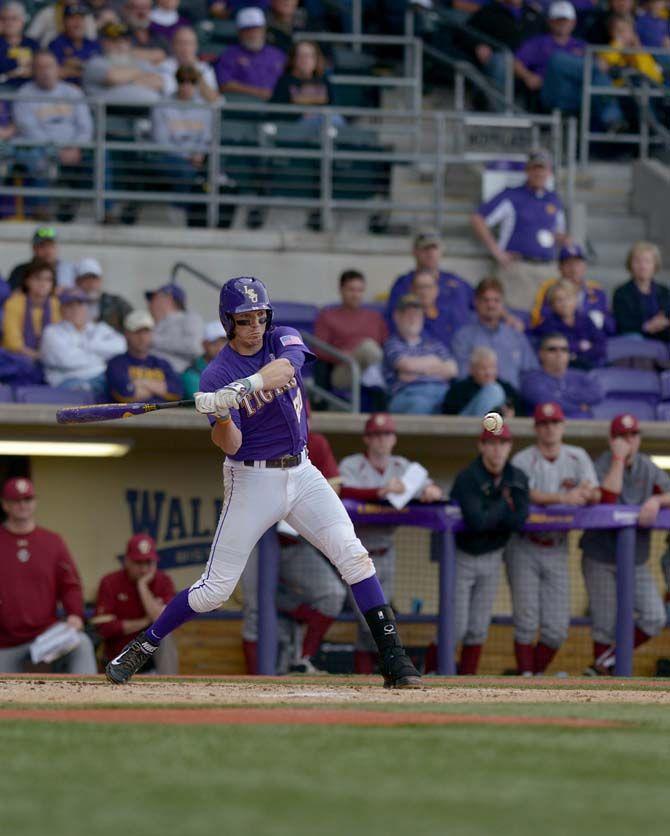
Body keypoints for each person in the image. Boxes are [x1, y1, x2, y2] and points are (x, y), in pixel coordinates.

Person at [105, 276, 421, 688]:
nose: (255, 326)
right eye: (245, 320)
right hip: (251, 477)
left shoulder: (281, 338)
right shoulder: (215, 374)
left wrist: (244, 387)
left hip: (303, 471)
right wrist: (220, 412)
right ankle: (143, 646)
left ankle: (394, 661)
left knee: (353, 555)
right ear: (228, 323)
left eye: (259, 317)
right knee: (214, 591)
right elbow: (230, 444)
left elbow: (285, 369)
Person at [241, 422, 347, 675]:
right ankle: (256, 681)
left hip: (292, 543)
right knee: (255, 609)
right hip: (255, 539)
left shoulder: (316, 442)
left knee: (333, 594)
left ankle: (302, 659)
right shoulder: (258, 434)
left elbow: (335, 487)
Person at [339, 413, 443, 673]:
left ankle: (370, 675)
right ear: (367, 438)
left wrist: (431, 491)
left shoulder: (402, 466)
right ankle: (388, 665)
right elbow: (341, 490)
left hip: (387, 551)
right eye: (376, 435)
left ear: (394, 438)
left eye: (386, 435)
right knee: (369, 619)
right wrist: (382, 492)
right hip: (356, 552)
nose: (381, 440)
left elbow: (429, 487)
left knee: (375, 618)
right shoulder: (352, 465)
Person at [506, 402, 599, 675]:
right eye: (544, 424)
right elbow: (523, 494)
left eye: (555, 423)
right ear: (536, 428)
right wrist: (564, 498)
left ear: (563, 426)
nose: (550, 428)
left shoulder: (577, 456)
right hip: (524, 545)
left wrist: (586, 494)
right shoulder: (523, 459)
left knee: (557, 628)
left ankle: (531, 674)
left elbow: (595, 493)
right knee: (526, 620)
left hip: (558, 546)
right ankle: (526, 678)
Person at [580, 413, 669, 675]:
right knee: (605, 624)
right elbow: (607, 498)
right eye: (622, 436)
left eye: (633, 435)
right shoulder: (601, 463)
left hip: (635, 560)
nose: (629, 440)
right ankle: (605, 679)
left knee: (655, 616)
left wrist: (657, 501)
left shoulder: (648, 466)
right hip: (600, 556)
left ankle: (604, 664)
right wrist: (618, 459)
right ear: (612, 440)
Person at [448, 424, 530, 675]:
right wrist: (505, 505)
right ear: (481, 446)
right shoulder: (468, 476)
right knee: (456, 627)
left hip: (493, 556)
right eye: (492, 444)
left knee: (478, 627)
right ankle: (434, 672)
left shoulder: (517, 477)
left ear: (509, 446)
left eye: (502, 444)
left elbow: (519, 522)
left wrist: (494, 510)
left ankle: (466, 682)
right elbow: (477, 522)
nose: (497, 450)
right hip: (462, 556)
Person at [0, 476, 97, 674]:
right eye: (16, 501)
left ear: (34, 502)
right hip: (5, 642)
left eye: (27, 500)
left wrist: (74, 615)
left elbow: (70, 584)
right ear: (5, 504)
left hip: (46, 636)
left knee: (82, 643)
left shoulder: (52, 541)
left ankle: (89, 703)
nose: (22, 505)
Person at [471, 149, 568, 310]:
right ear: (527, 170)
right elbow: (478, 219)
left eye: (542, 169)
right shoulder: (512, 195)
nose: (539, 173)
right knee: (515, 316)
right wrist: (497, 252)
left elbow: (558, 232)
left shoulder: (554, 199)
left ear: (549, 172)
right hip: (518, 268)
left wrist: (563, 239)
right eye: (535, 168)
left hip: (547, 268)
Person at [515, 1, 623, 129]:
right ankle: (613, 116)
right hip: (551, 90)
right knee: (559, 59)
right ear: (549, 22)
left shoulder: (582, 45)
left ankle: (612, 119)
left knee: (596, 75)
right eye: (558, 20)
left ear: (573, 23)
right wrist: (528, 76)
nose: (562, 24)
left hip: (577, 92)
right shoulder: (539, 43)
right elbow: (515, 62)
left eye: (565, 21)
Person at [12, 50, 94, 210]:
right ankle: (41, 209)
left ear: (58, 69)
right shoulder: (24, 94)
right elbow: (29, 130)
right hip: (43, 149)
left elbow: (86, 127)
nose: (45, 72)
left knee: (101, 155)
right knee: (36, 157)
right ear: (33, 71)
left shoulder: (73, 92)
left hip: (75, 149)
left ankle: (105, 210)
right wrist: (56, 150)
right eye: (40, 67)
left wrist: (75, 147)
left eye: (49, 66)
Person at [92, 533, 178, 674]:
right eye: (138, 563)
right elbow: (104, 628)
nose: (144, 569)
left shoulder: (163, 581)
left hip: (151, 664)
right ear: (126, 561)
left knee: (165, 635)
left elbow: (161, 621)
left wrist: (142, 586)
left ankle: (170, 685)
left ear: (155, 562)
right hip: (117, 658)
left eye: (148, 563)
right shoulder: (110, 582)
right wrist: (145, 621)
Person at [151, 65, 215, 227]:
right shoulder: (162, 105)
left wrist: (199, 153)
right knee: (186, 171)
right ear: (176, 82)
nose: (186, 86)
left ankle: (208, 222)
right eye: (182, 82)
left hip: (198, 157)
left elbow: (207, 137)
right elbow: (161, 141)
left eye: (191, 82)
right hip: (170, 157)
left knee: (218, 175)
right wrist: (188, 156)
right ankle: (178, 212)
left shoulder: (204, 107)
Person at [451, 277, 538, 390]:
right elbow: (462, 376)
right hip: (478, 398)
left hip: (513, 400)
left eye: (496, 300)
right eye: (485, 300)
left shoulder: (516, 336)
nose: (491, 305)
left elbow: (530, 372)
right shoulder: (463, 337)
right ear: (476, 302)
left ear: (502, 304)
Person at [40, 286, 126, 394]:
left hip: (102, 378)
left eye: (80, 304)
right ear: (61, 309)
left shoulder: (99, 328)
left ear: (87, 308)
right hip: (68, 381)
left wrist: (90, 346)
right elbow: (67, 361)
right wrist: (102, 358)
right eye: (70, 305)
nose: (75, 309)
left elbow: (121, 347)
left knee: (126, 386)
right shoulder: (52, 331)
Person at [313, 269, 388, 390]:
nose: (356, 295)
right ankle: (376, 383)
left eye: (360, 290)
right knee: (369, 347)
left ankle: (373, 378)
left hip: (374, 363)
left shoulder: (375, 317)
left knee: (373, 352)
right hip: (345, 367)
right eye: (351, 290)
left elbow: (386, 344)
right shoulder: (327, 316)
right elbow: (319, 349)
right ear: (341, 290)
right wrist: (340, 354)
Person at [383, 294, 458, 414]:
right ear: (397, 317)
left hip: (442, 392)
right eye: (409, 314)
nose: (413, 319)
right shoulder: (392, 343)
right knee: (421, 404)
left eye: (417, 315)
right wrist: (436, 363)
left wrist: (418, 371)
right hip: (408, 394)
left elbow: (452, 369)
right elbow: (407, 365)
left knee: (461, 400)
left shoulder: (434, 344)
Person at [458, 0, 546, 99]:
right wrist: (477, 45)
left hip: (529, 67)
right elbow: (463, 34)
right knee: (501, 60)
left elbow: (550, 40)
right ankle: (497, 110)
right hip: (501, 63)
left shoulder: (534, 13)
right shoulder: (490, 10)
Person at [385, 231, 473, 328]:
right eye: (425, 248)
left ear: (441, 251)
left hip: (460, 340)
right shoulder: (403, 283)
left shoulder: (457, 282)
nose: (430, 253)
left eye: (434, 248)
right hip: (420, 340)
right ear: (414, 251)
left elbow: (480, 305)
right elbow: (393, 319)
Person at [530, 243, 612, 332]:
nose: (574, 269)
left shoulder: (597, 290)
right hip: (560, 338)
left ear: (584, 266)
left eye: (577, 263)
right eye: (568, 264)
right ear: (560, 268)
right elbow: (538, 321)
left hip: (593, 340)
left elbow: (612, 326)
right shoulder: (549, 288)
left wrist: (602, 321)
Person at [106, 310, 183, 403]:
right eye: (137, 332)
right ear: (126, 334)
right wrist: (159, 388)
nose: (142, 337)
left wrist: (141, 383)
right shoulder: (116, 363)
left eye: (146, 332)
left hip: (162, 415)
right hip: (130, 416)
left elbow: (177, 393)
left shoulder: (162, 364)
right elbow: (125, 394)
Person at [521, 332, 605, 417]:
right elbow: (552, 405)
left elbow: (598, 394)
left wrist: (560, 394)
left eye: (564, 350)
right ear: (541, 353)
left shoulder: (581, 376)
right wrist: (578, 407)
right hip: (548, 427)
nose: (559, 354)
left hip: (583, 426)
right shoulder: (531, 380)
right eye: (552, 349)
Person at [530, 279, 606, 368]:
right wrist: (580, 346)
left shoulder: (586, 320)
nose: (565, 304)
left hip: (591, 365)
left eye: (568, 298)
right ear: (551, 305)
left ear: (575, 300)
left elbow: (601, 345)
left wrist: (576, 352)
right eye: (559, 300)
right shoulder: (547, 325)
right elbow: (558, 351)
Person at [214, 7, 286, 99]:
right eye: (248, 30)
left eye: (257, 29)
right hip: (243, 106)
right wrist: (258, 92)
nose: (253, 34)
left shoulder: (278, 54)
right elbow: (224, 84)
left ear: (264, 30)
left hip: (278, 104)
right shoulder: (229, 55)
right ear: (239, 32)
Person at [83, 21, 164, 103]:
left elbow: (158, 82)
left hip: (142, 112)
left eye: (125, 41)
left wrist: (126, 80)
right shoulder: (95, 62)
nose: (120, 46)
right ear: (104, 43)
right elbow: (113, 77)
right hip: (106, 113)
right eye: (115, 41)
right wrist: (138, 77)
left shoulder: (139, 62)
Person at [2, 258, 60, 368]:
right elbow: (13, 343)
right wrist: (38, 356)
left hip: (49, 359)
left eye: (48, 280)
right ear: (27, 281)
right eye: (38, 279)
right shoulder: (14, 303)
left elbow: (59, 335)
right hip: (17, 359)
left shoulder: (55, 303)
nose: (43, 284)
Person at [613, 241, 670, 341]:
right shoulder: (621, 293)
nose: (643, 266)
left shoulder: (664, 291)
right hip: (635, 340)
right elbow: (622, 324)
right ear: (630, 264)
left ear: (655, 265)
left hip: (663, 337)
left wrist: (664, 322)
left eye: (647, 261)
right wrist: (646, 326)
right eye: (637, 261)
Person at [442, 346, 522, 417]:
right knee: (494, 390)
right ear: (472, 369)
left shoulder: (506, 388)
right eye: (483, 368)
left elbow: (521, 413)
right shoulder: (458, 389)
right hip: (467, 430)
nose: (488, 373)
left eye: (492, 368)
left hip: (498, 430)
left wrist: (512, 414)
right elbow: (449, 416)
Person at [145, 282, 204, 374]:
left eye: (153, 298)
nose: (149, 303)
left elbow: (195, 347)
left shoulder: (189, 318)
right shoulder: (150, 323)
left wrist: (153, 340)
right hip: (148, 374)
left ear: (168, 298)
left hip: (177, 375)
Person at [270, 39, 333, 111]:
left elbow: (333, 107)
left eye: (309, 56)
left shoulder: (324, 81)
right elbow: (277, 112)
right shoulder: (284, 82)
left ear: (316, 59)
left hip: (323, 120)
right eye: (301, 56)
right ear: (293, 59)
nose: (305, 60)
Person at [73, 257, 133, 333]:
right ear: (77, 282)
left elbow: (134, 322)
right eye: (86, 279)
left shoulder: (116, 302)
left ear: (100, 280)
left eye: (94, 279)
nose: (91, 284)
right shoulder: (70, 306)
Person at [157, 26, 218, 99]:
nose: (185, 48)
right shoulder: (163, 66)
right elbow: (168, 92)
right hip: (172, 109)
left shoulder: (205, 68)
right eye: (180, 43)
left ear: (196, 46)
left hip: (199, 109)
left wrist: (195, 72)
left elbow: (214, 100)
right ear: (173, 46)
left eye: (189, 43)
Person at [8, 225, 77, 289]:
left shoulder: (68, 270)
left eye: (51, 246)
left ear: (56, 248)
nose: (47, 251)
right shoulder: (20, 271)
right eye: (42, 246)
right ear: (34, 249)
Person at [48, 4, 102, 86]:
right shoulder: (56, 44)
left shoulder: (93, 44)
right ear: (64, 22)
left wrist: (75, 66)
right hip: (65, 90)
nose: (77, 23)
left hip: (92, 90)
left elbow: (101, 72)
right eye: (72, 18)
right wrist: (87, 69)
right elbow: (54, 73)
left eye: (81, 18)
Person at [182, 320, 228, 399]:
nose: (220, 348)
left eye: (223, 343)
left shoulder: (235, 366)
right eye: (214, 343)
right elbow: (203, 400)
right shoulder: (192, 373)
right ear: (204, 345)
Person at [27, 0, 98, 48]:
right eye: (72, 18)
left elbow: (92, 38)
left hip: (81, 52)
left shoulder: (87, 15)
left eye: (79, 18)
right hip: (50, 54)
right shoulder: (47, 13)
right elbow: (30, 37)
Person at [0, 1, 39, 88]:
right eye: (4, 19)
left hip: (30, 90)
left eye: (14, 18)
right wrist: (17, 63)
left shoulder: (32, 44)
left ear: (22, 21)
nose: (9, 23)